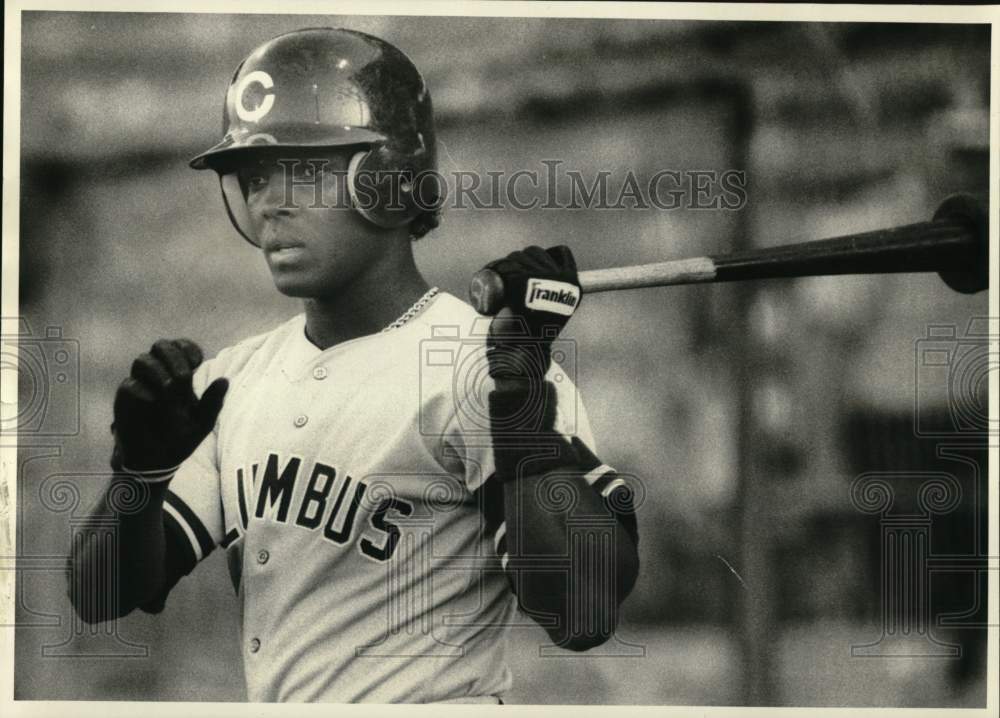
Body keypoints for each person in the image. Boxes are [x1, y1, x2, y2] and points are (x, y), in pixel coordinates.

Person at [68, 27, 640, 704]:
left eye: (303, 172)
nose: (269, 202)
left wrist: (519, 410)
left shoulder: (478, 363)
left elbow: (583, 612)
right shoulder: (240, 377)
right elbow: (100, 594)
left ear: (392, 177)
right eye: (253, 178)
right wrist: (136, 474)